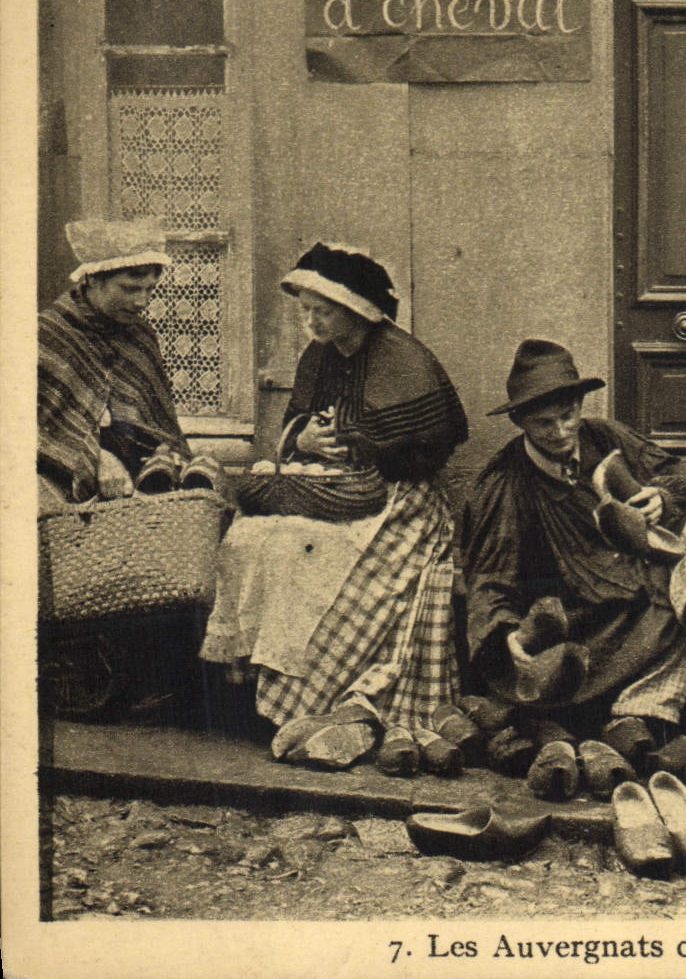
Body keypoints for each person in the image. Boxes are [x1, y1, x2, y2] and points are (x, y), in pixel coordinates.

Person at [200, 242, 469, 773]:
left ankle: (318, 705)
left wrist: (365, 447)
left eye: (321, 311)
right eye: (305, 311)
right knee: (254, 538)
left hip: (398, 499)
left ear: (356, 311)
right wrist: (306, 442)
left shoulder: (403, 359)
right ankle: (260, 696)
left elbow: (434, 444)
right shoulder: (319, 356)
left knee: (312, 555)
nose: (311, 322)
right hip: (327, 490)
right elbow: (296, 422)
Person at [460, 339, 686, 754]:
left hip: (641, 574)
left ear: (580, 405)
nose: (560, 431)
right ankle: (640, 713)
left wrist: (662, 497)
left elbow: (682, 476)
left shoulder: (604, 436)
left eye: (568, 415)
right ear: (521, 421)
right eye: (544, 423)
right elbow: (490, 576)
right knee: (664, 612)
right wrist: (505, 632)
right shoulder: (505, 484)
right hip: (583, 610)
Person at [38, 217, 195, 509]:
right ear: (94, 280)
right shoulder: (48, 336)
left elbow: (157, 425)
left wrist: (163, 453)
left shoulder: (141, 336)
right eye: (130, 288)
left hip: (137, 484)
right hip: (59, 482)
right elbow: (33, 431)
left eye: (149, 289)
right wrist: (95, 456)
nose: (141, 301)